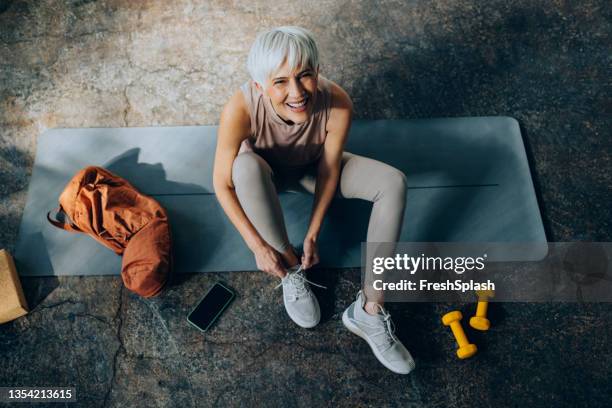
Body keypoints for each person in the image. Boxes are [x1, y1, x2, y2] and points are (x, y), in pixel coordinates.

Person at [213, 26, 414, 374]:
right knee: (242, 167)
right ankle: (290, 268)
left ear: (317, 71)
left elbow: (329, 170)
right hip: (262, 175)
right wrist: (259, 247)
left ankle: (369, 309)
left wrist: (313, 232)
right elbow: (221, 183)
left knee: (393, 182)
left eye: (305, 75)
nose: (296, 92)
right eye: (280, 82)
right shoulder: (240, 108)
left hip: (311, 168)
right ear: (260, 86)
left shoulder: (337, 102)